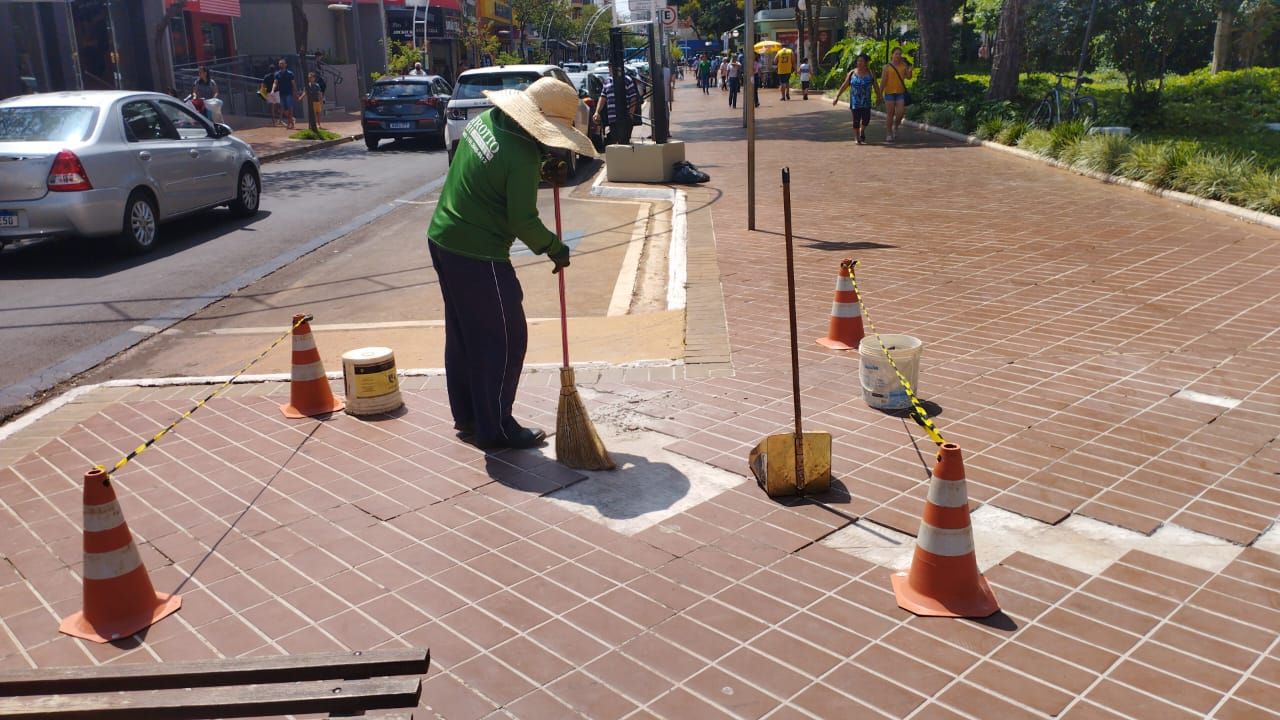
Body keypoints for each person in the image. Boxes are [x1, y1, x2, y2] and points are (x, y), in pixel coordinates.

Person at [426, 78, 597, 450]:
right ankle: (496, 427)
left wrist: (538, 167)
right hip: (478, 254)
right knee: (504, 339)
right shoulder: (521, 156)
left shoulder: (487, 121)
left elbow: (493, 171)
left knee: (463, 334)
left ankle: (469, 417)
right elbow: (523, 221)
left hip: (443, 239)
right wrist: (555, 248)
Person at [833, 53, 881, 144]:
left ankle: (862, 130)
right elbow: (845, 85)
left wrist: (879, 96)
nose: (859, 63)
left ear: (866, 62)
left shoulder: (870, 73)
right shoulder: (852, 73)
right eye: (858, 61)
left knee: (866, 119)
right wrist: (837, 96)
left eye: (861, 61)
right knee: (856, 120)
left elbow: (875, 85)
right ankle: (856, 137)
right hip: (855, 101)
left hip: (866, 101)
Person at [594, 66, 641, 145]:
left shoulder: (627, 80)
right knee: (615, 142)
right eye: (608, 66)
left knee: (624, 142)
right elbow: (602, 98)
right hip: (612, 119)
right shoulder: (607, 82)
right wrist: (597, 112)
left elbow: (633, 98)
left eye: (610, 66)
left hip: (625, 117)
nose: (609, 68)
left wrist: (630, 114)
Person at [880, 46, 913, 142]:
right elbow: (883, 81)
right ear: (892, 55)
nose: (898, 56)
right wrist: (879, 94)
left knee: (900, 113)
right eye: (896, 54)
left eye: (899, 54)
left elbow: (908, 77)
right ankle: (889, 133)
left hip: (900, 93)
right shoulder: (887, 67)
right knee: (890, 114)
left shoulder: (903, 66)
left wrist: (910, 70)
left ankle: (896, 126)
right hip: (889, 93)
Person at [271, 58, 297, 130]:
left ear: (286, 65)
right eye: (280, 63)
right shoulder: (277, 74)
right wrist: (273, 90)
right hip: (281, 94)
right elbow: (275, 83)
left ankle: (289, 123)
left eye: (282, 63)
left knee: (290, 108)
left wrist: (295, 92)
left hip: (289, 93)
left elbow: (293, 84)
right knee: (284, 109)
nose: (281, 64)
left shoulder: (290, 73)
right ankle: (291, 121)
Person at [261, 59, 282, 127]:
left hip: (269, 92)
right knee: (279, 105)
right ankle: (280, 120)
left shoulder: (266, 76)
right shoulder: (277, 75)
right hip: (276, 91)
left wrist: (263, 93)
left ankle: (274, 122)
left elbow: (264, 85)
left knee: (272, 107)